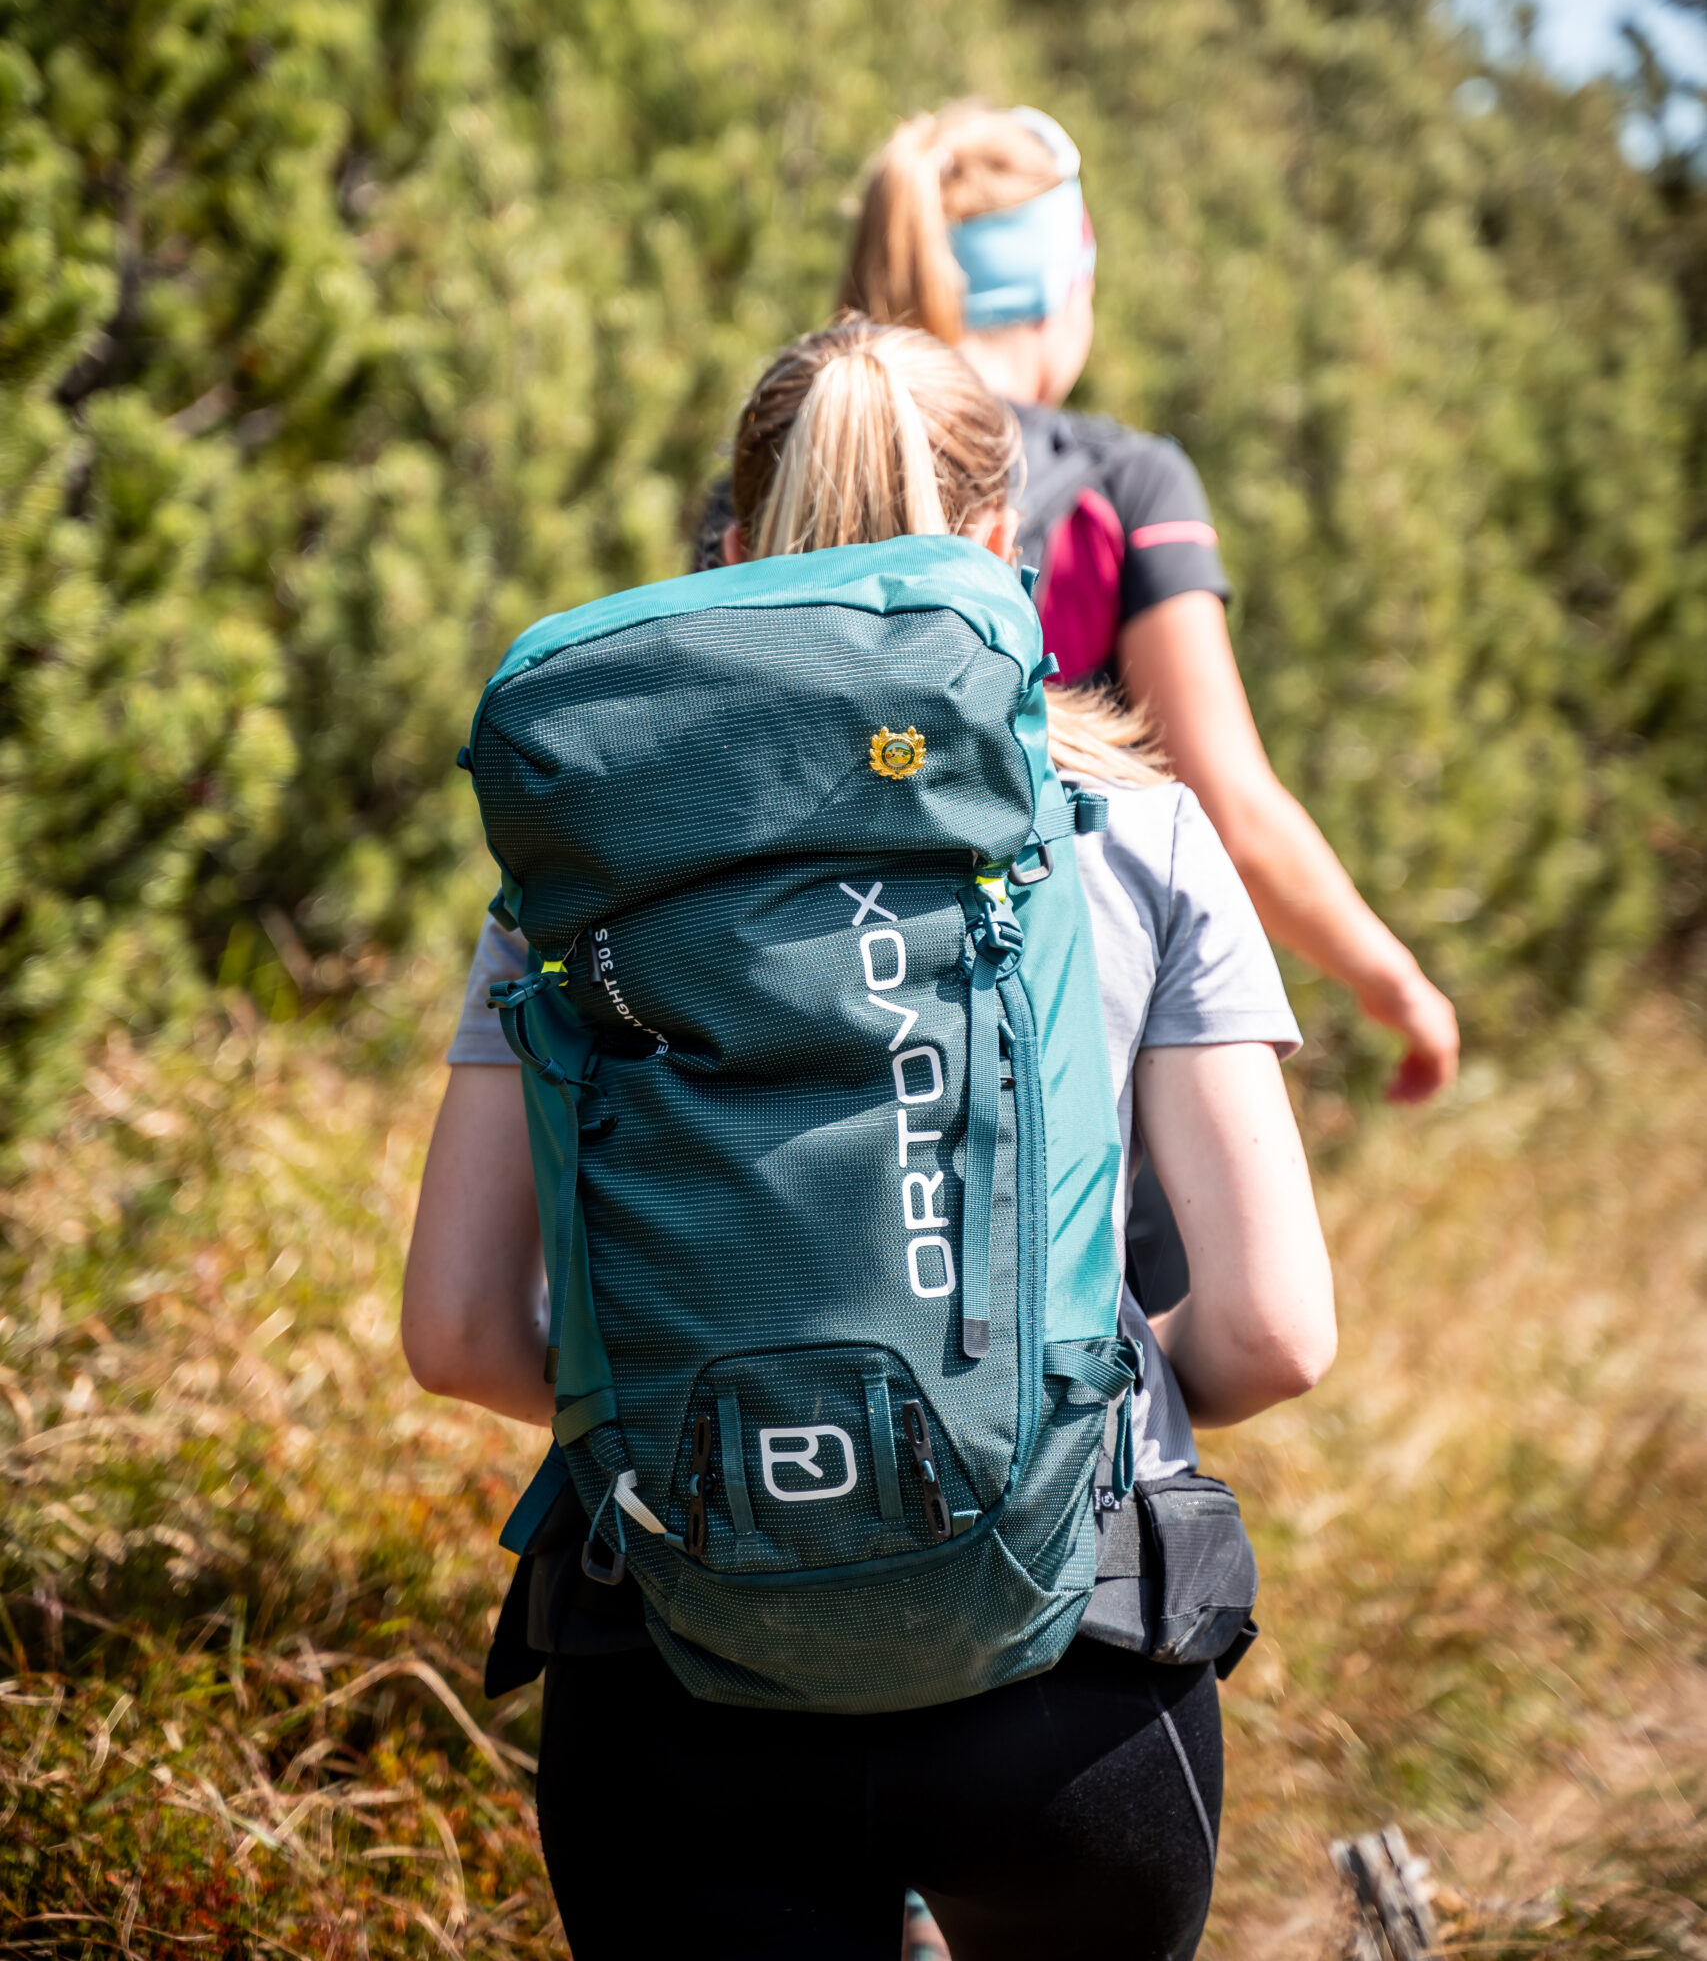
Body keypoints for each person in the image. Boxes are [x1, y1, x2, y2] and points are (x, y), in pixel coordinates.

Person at [404, 319, 1337, 1961]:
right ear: (1005, 550)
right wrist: (1027, 1411)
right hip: (1070, 1685)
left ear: (736, 550)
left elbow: (461, 1329)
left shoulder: (571, 883)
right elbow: (1272, 1329)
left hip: (674, 1675)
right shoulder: (1139, 836)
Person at [838, 101, 1460, 1138]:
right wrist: (1392, 981)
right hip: (1069, 1063)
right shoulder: (1123, 485)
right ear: (1064, 283)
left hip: (818, 1053)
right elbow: (1228, 806)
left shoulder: (776, 480)